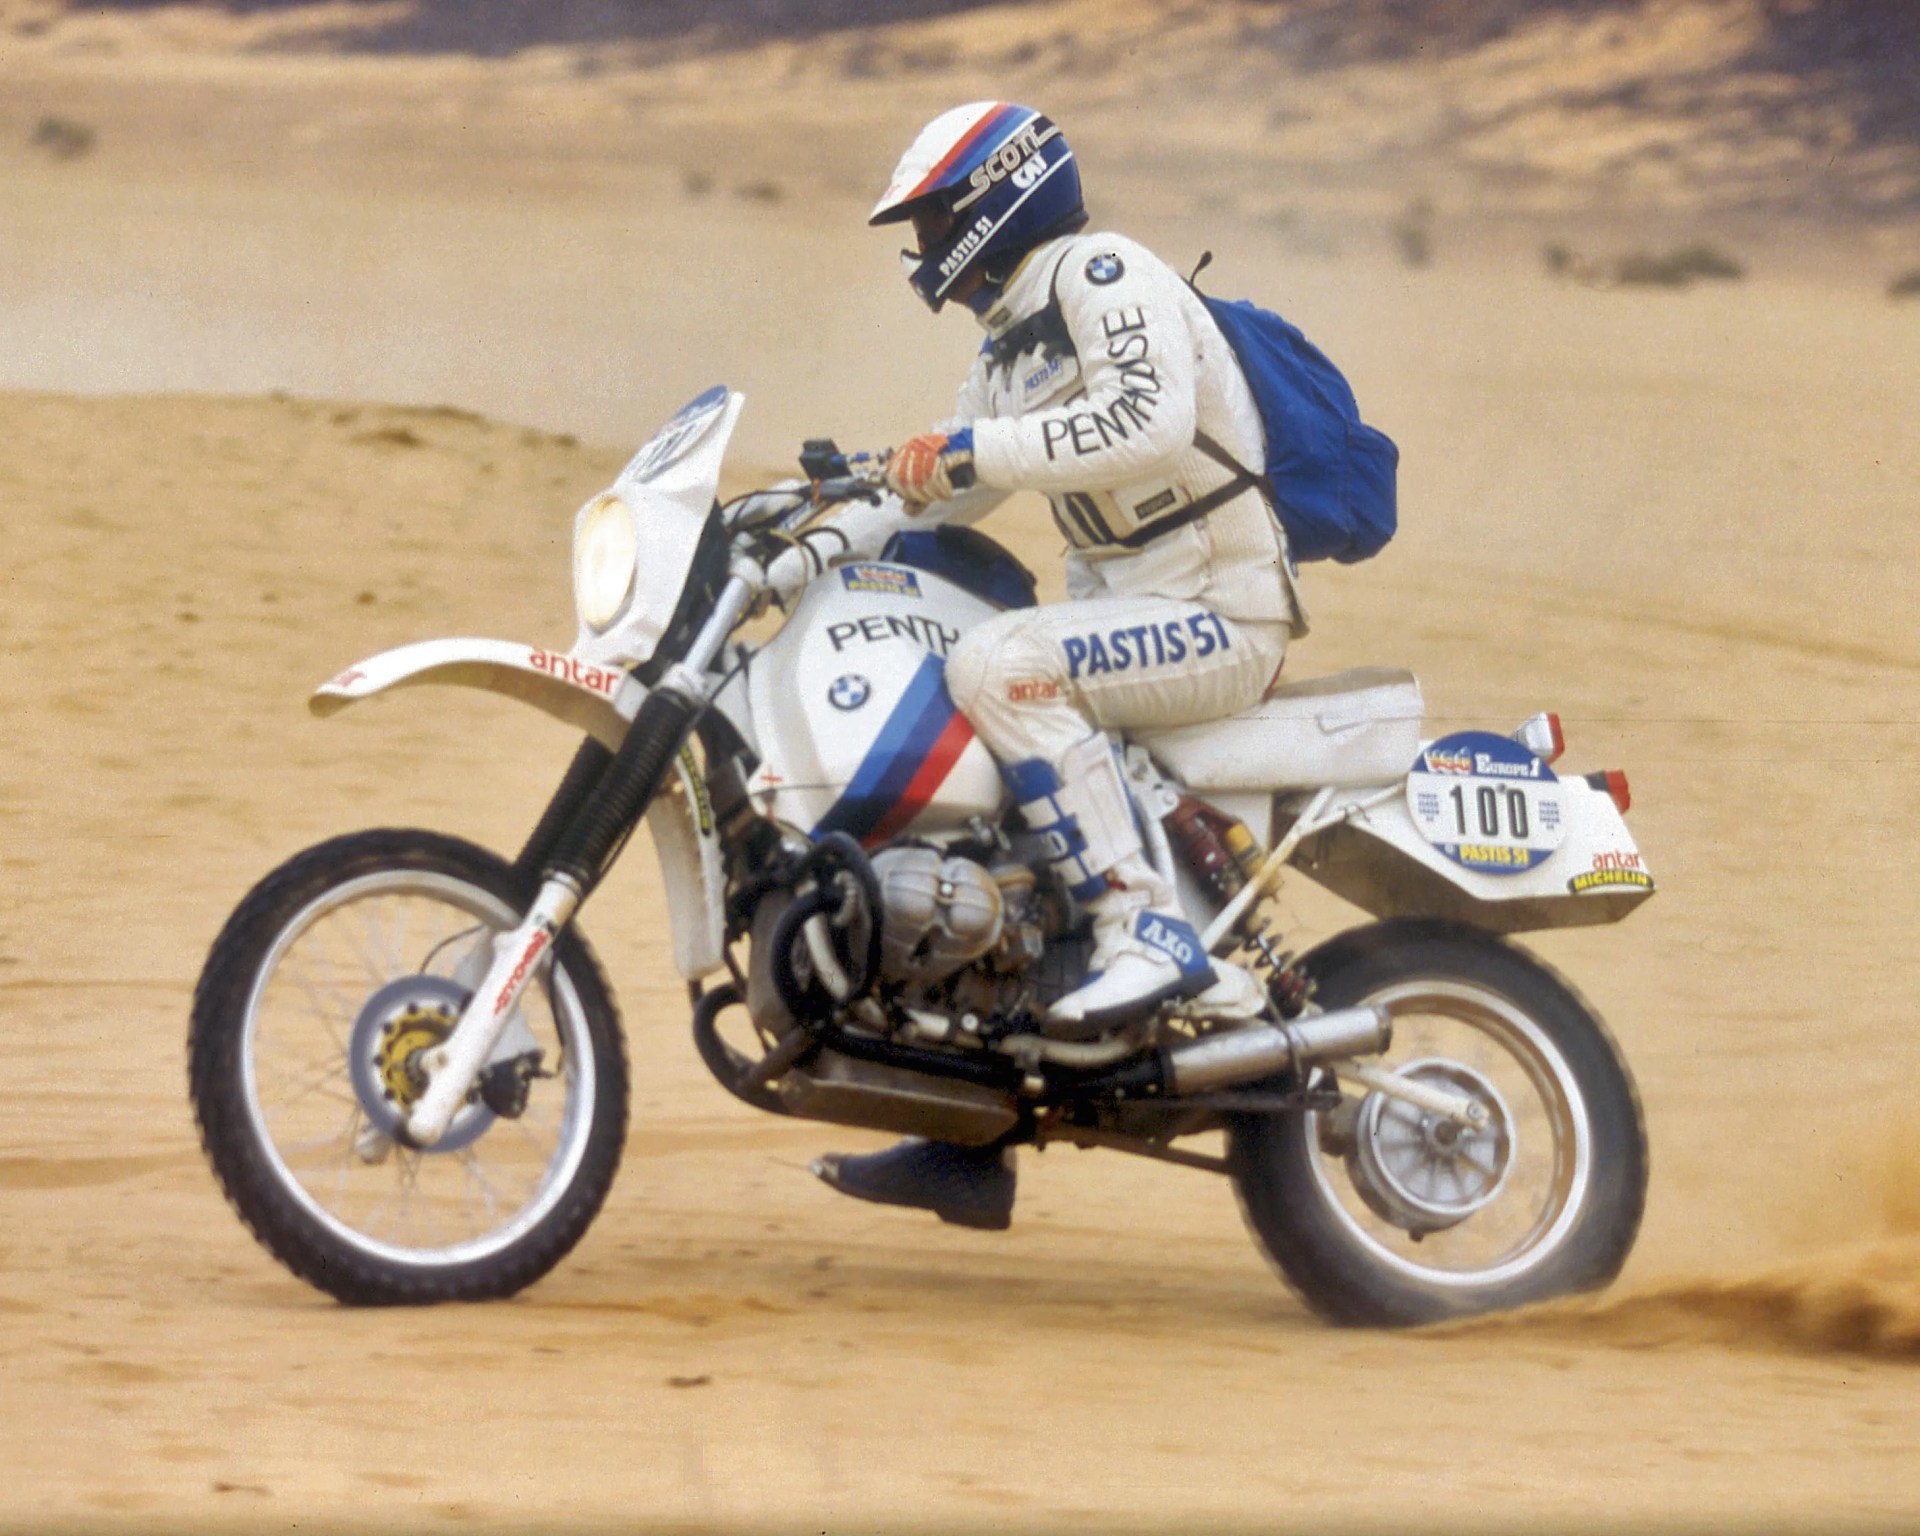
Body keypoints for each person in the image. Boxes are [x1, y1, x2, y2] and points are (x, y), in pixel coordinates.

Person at [776, 102, 1307, 1229]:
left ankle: (1144, 923)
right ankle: (964, 1130)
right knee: (971, 776)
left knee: (998, 661)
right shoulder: (1009, 345)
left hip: (1218, 615)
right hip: (1138, 621)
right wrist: (811, 533)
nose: (923, 256)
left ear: (989, 199)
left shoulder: (1102, 272)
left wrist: (968, 449)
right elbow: (947, 484)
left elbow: (1146, 424)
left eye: (929, 226)